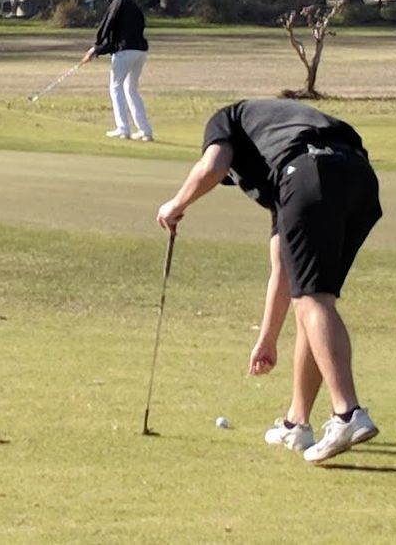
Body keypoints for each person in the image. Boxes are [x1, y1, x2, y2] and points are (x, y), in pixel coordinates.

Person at [155, 99, 382, 463]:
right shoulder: (278, 146)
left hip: (310, 171)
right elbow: (283, 269)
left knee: (313, 301)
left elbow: (213, 166)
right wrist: (267, 339)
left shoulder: (226, 118)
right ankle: (297, 423)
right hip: (359, 180)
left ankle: (347, 414)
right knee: (313, 298)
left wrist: (175, 205)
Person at [81, 0, 153, 141]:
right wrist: (97, 50)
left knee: (116, 87)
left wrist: (96, 48)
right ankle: (145, 131)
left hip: (124, 52)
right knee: (131, 89)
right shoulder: (136, 10)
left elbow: (110, 33)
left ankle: (123, 129)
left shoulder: (118, 4)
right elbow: (117, 38)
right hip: (140, 52)